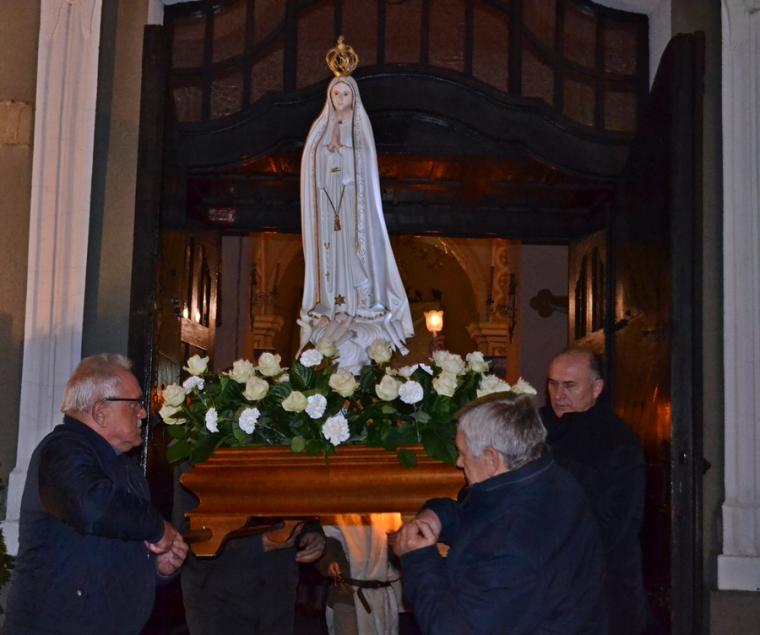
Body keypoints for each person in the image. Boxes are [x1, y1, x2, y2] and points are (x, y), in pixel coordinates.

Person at [393, 392, 607, 635]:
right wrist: (436, 516)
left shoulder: (513, 544)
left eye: (463, 453)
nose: (459, 462)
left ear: (492, 459)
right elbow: (478, 515)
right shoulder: (544, 478)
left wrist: (418, 560)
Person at [4, 354, 188, 634]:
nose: (143, 413)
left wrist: (161, 567)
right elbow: (92, 506)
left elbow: (123, 547)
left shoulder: (127, 470)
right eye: (135, 403)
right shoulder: (61, 450)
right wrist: (157, 528)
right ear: (101, 411)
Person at [299, 41, 413, 370]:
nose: (340, 99)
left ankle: (358, 304)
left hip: (353, 204)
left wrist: (345, 153)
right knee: (332, 250)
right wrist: (325, 154)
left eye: (345, 94)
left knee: (352, 247)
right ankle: (333, 303)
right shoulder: (321, 127)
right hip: (328, 201)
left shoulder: (359, 125)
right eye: (336, 94)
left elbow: (364, 161)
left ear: (354, 96)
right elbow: (311, 162)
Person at [540, 347, 647, 635]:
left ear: (596, 388)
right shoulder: (535, 428)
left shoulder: (618, 443)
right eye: (553, 384)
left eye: (569, 385)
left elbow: (614, 528)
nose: (558, 394)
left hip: (599, 592)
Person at [177, 479, 327, 634]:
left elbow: (297, 499)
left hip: (277, 592)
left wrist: (311, 530)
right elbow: (187, 533)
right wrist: (259, 544)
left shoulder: (283, 463)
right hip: (220, 598)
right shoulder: (196, 466)